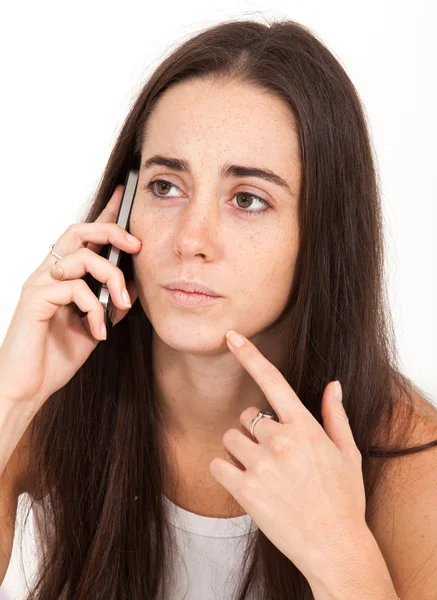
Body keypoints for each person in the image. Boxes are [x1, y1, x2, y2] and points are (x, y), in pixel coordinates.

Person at [0, 16, 436, 600]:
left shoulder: (411, 465)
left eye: (248, 199)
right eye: (165, 187)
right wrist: (11, 399)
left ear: (323, 233)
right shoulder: (55, 399)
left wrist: (340, 550)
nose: (190, 240)